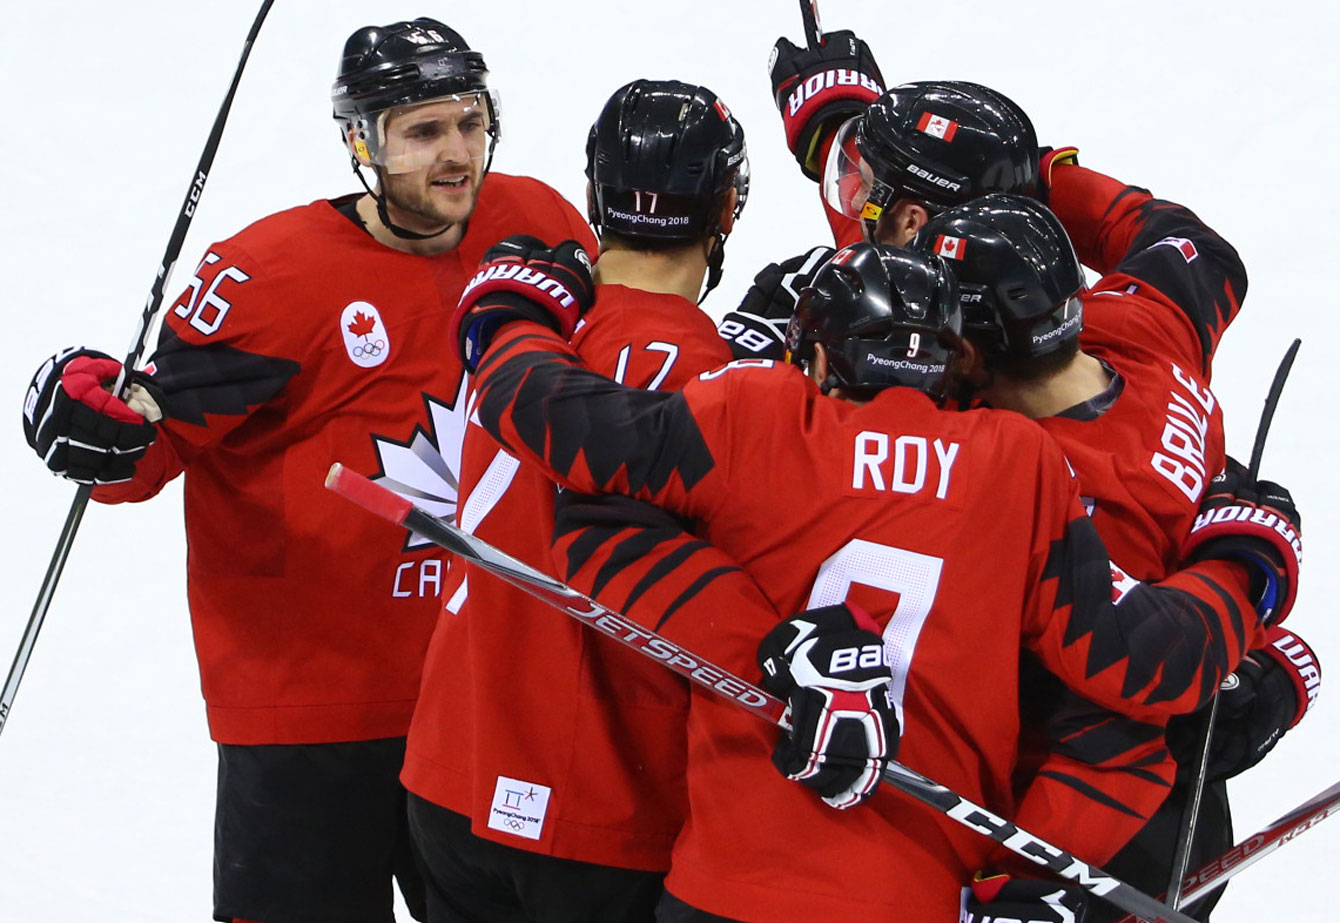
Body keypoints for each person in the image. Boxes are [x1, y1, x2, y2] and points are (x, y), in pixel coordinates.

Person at [440, 235, 1298, 922]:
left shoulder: (757, 416)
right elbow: (1144, 668)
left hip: (723, 888)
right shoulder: (1018, 464)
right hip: (916, 895)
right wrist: (1248, 560)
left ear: (816, 357)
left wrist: (507, 311)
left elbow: (578, 475)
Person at [20, 18, 594, 923]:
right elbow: (144, 450)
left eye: (470, 124)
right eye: (423, 130)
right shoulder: (268, 277)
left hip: (486, 692)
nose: (456, 155)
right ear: (362, 139)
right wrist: (92, 420)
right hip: (311, 716)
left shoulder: (540, 225)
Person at [398, 78, 750, 923]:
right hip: (603, 810)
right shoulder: (730, 388)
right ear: (727, 207)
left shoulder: (520, 325)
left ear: (595, 196)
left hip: (447, 776)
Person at [915, 188, 1320, 919]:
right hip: (1180, 820)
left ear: (968, 352)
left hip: (1079, 838)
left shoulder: (1019, 481)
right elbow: (1192, 247)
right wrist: (1272, 642)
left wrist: (1024, 881)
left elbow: (1128, 719)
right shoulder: (1145, 328)